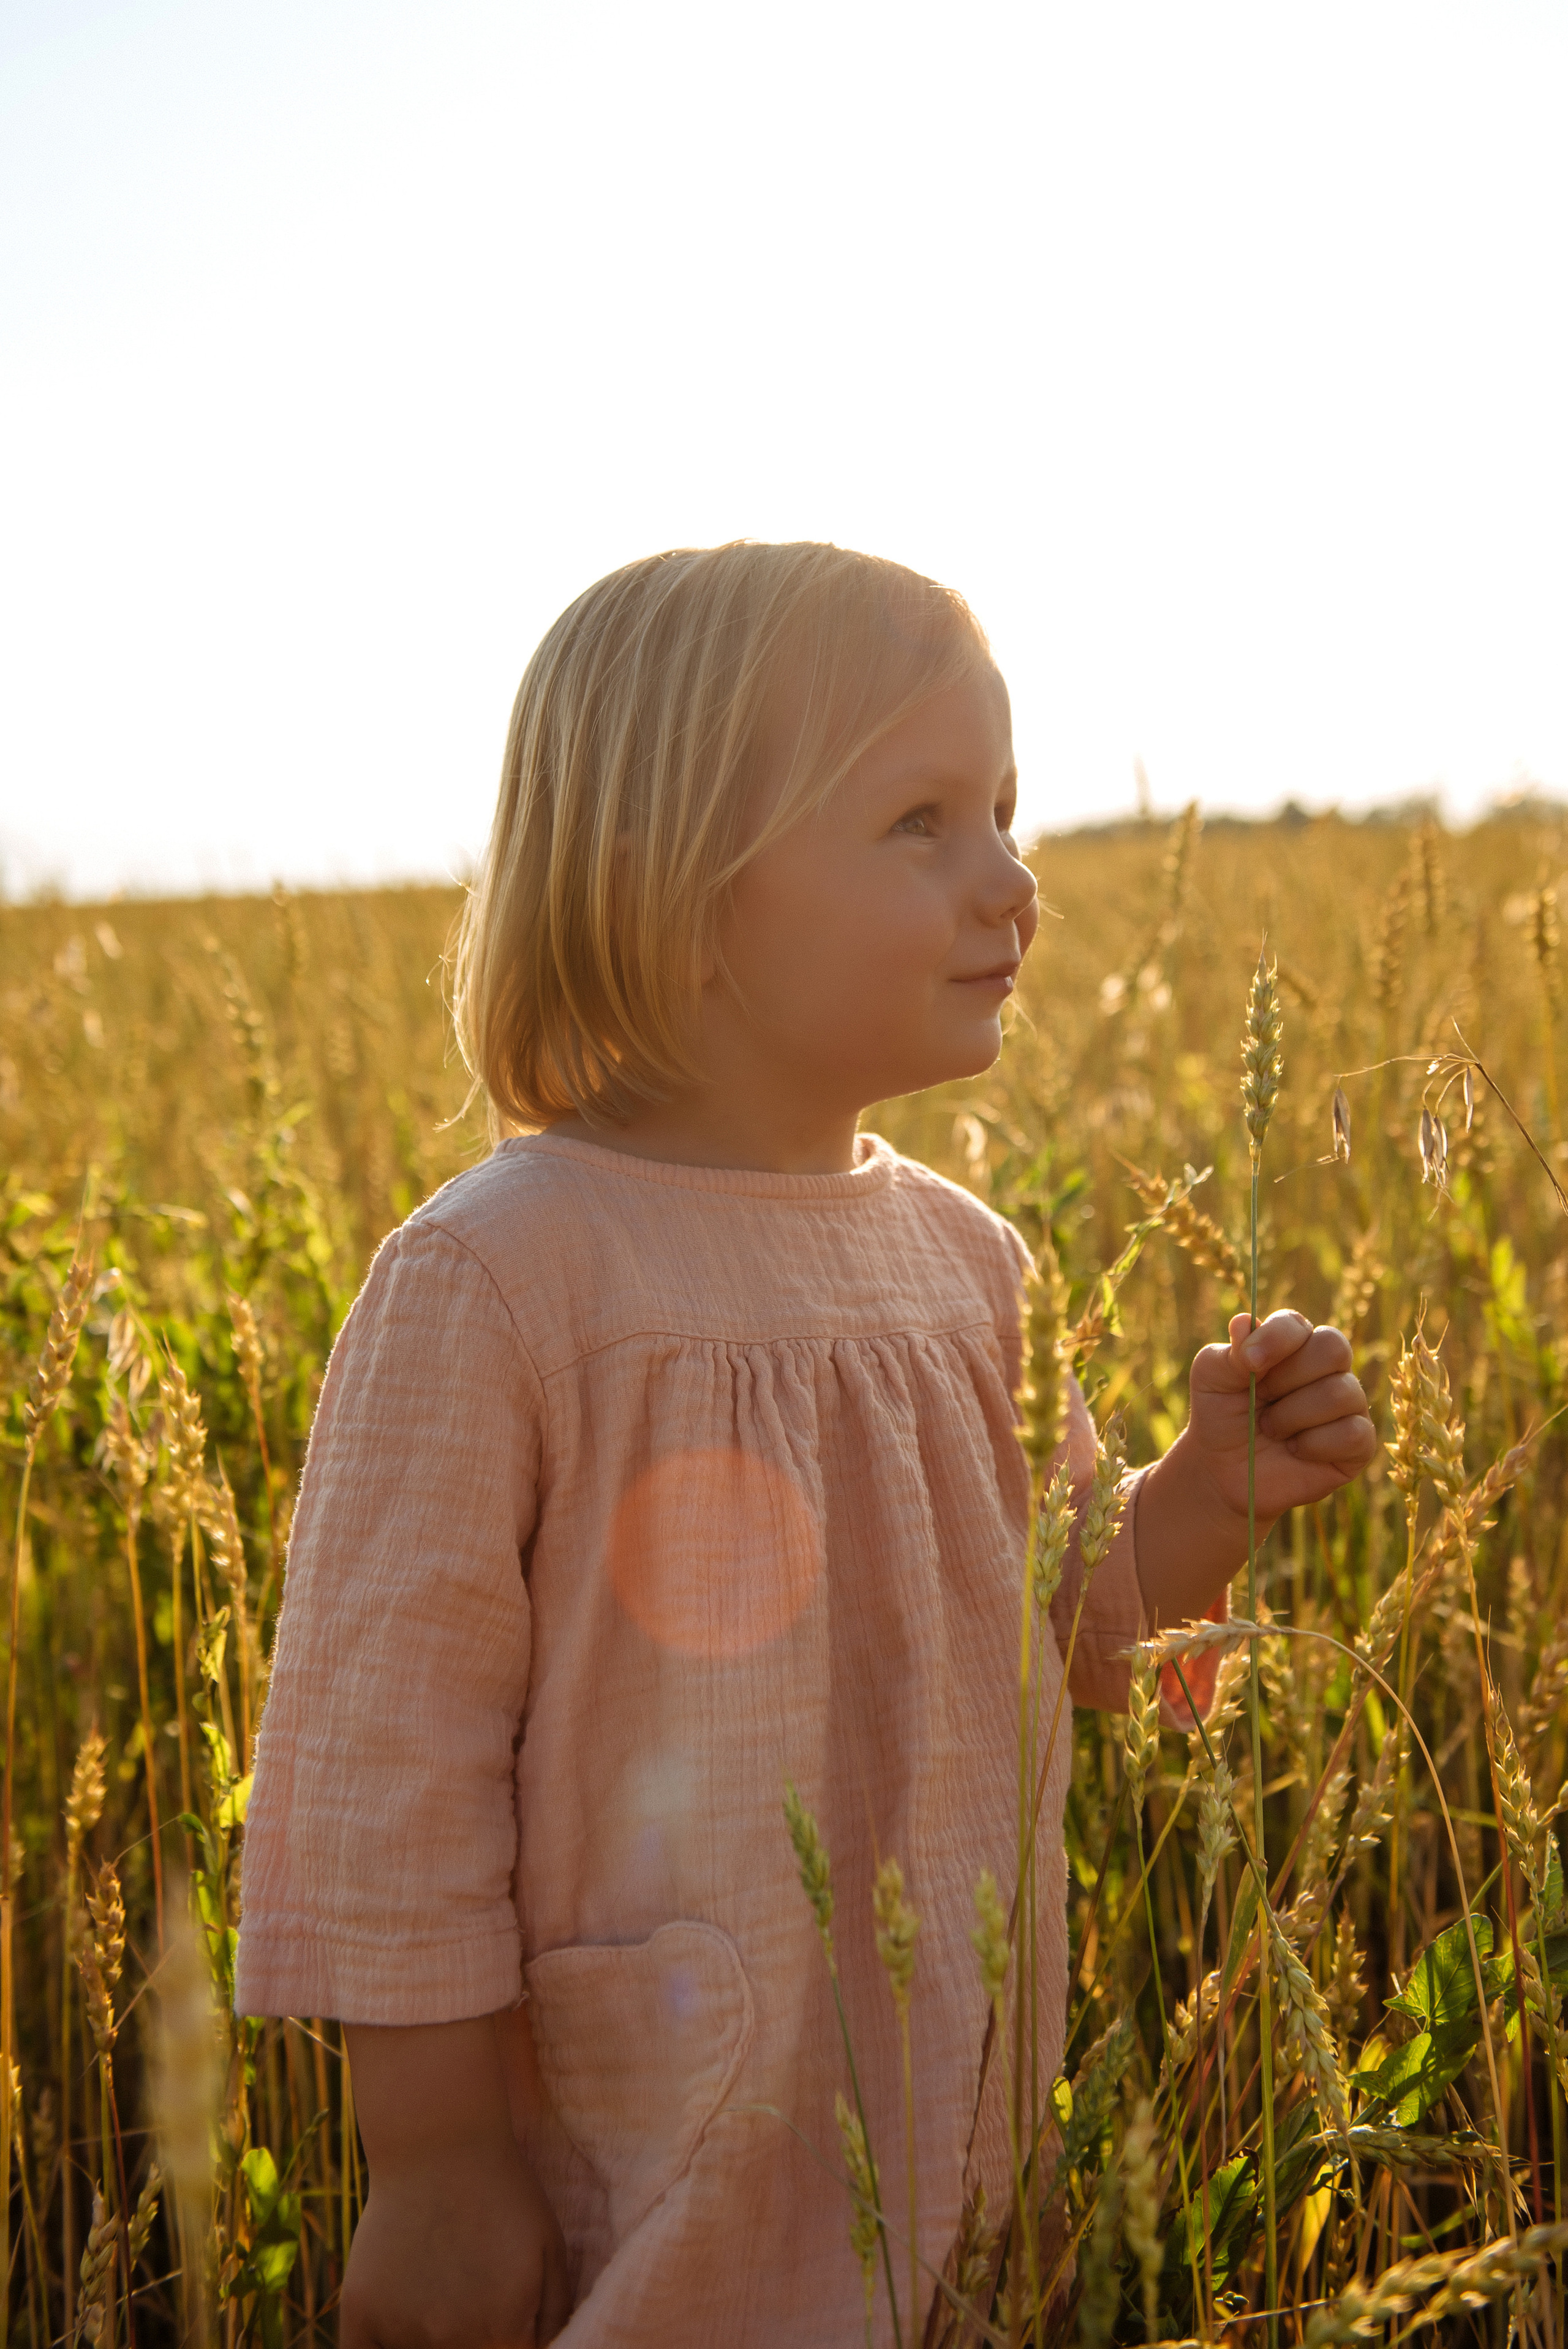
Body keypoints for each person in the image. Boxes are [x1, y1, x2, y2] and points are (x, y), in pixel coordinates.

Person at [235, 542, 1377, 2347]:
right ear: (679, 885)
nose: (1012, 880)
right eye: (921, 818)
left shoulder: (974, 1267)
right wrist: (440, 2159)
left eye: (1007, 810)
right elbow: (386, 1765)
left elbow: (1086, 1619)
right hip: (651, 2157)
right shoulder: (506, 1273)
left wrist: (1201, 1501)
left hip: (953, 2115)